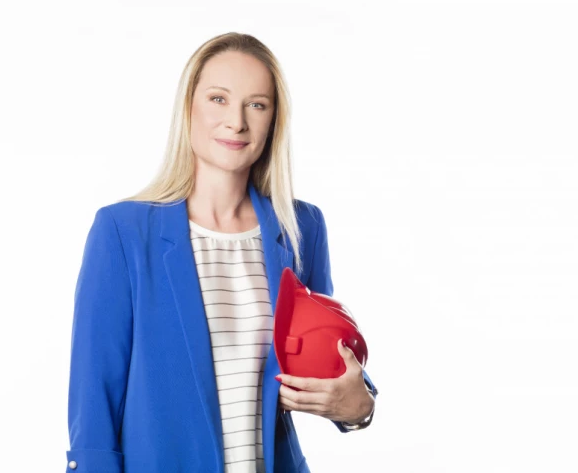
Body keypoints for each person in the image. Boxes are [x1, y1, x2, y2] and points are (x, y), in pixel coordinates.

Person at [64, 32, 378, 473]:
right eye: (218, 99)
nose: (236, 122)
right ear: (188, 107)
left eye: (257, 104)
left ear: (274, 119)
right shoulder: (122, 232)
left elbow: (325, 356)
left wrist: (360, 407)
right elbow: (95, 398)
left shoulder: (301, 227)